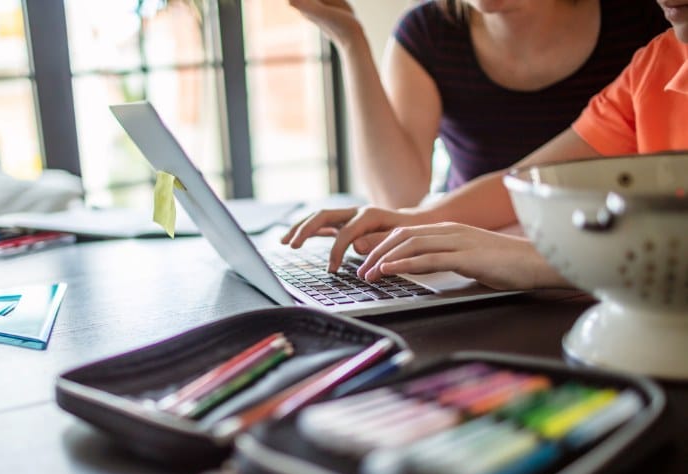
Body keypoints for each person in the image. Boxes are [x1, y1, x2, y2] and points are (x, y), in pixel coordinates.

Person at [281, 1, 688, 291]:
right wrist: (415, 221)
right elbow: (527, 180)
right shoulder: (654, 62)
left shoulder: (639, 26)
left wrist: (538, 261)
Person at [287, 0, 668, 209]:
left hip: (605, 248)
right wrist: (351, 42)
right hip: (473, 242)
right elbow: (397, 196)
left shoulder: (644, 20)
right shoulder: (428, 34)